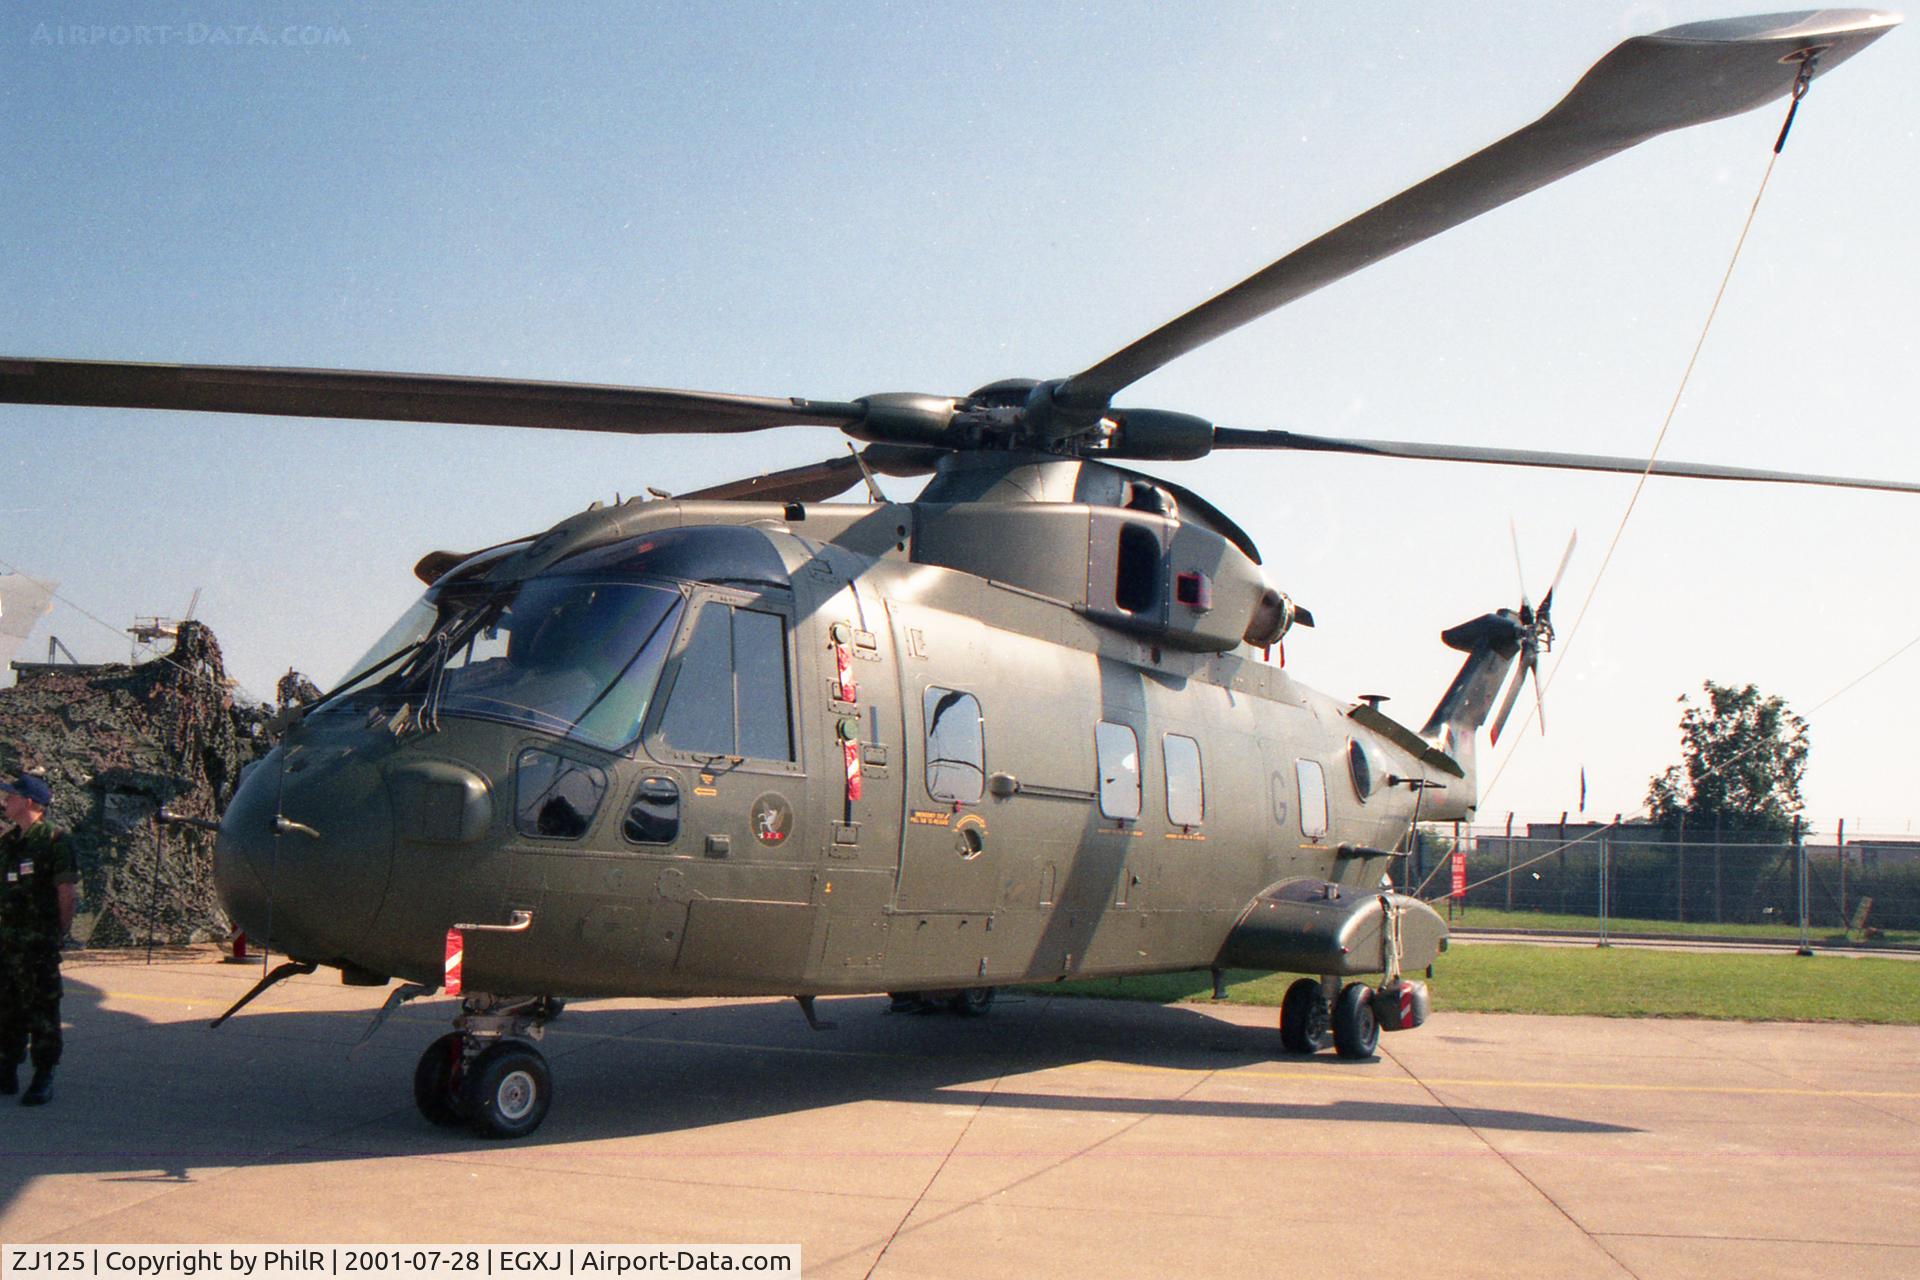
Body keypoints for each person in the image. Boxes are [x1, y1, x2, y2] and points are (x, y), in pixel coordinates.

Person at [1, 772, 76, 1106]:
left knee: (42, 1009)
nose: (6, 801)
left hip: (38, 943)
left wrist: (58, 932)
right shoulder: (8, 842)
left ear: (30, 802)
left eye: (12, 796)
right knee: (7, 1008)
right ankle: (7, 1068)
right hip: (7, 942)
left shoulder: (55, 841)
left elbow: (66, 892)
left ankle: (43, 1075)